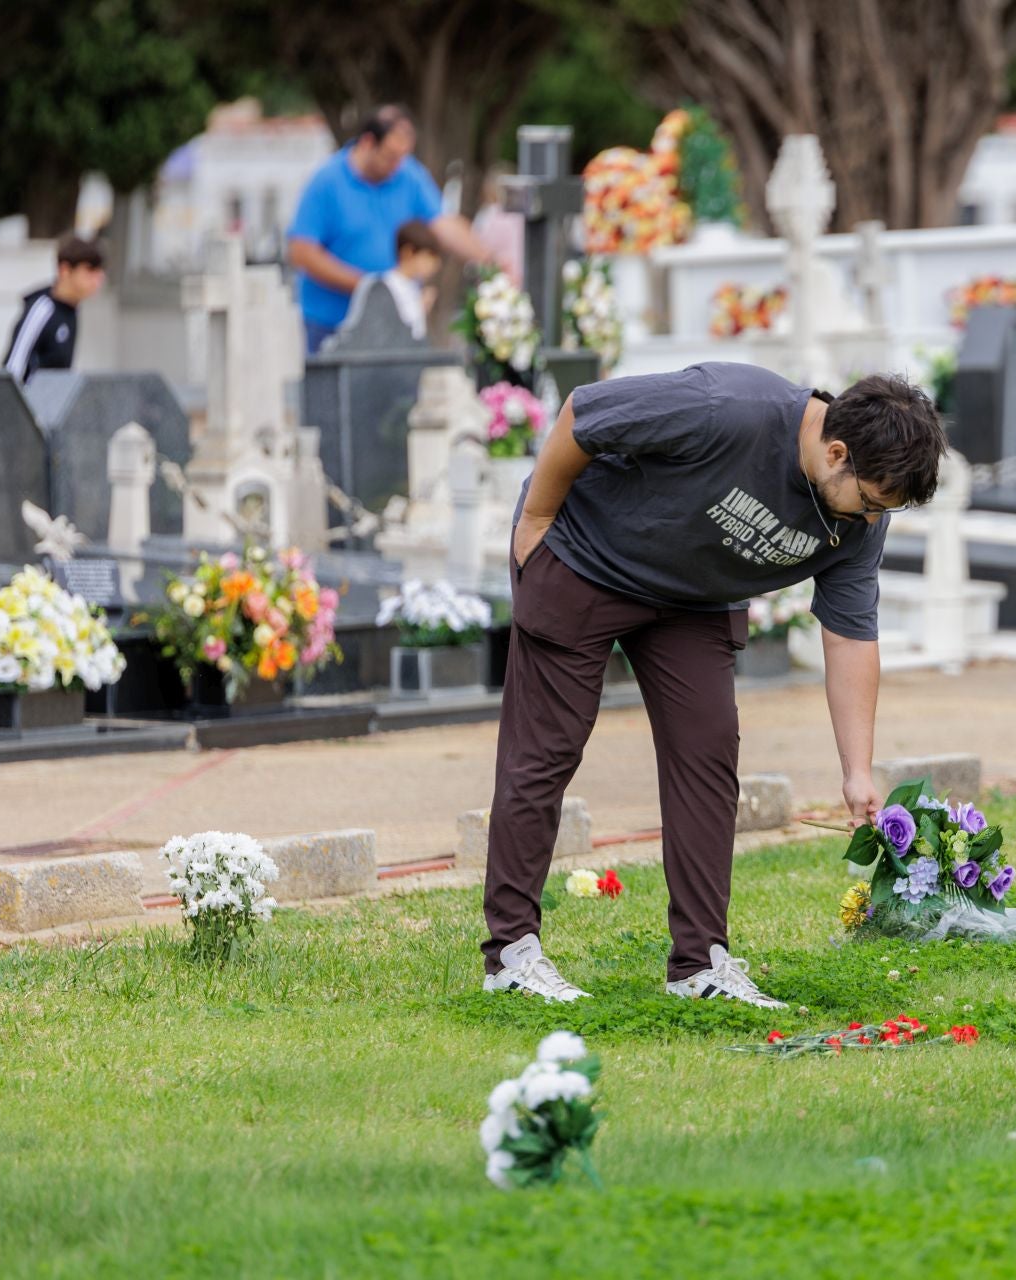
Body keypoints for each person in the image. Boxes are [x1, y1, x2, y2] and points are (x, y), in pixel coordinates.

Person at [483, 363, 948, 1006]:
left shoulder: (862, 516)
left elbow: (849, 636)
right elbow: (584, 413)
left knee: (707, 756)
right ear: (837, 453)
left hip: (693, 599)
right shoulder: (725, 406)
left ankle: (700, 965)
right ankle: (511, 955)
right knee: (546, 752)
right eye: (871, 501)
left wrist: (857, 771)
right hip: (587, 557)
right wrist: (535, 519)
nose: (872, 520)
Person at [286, 104, 497, 353]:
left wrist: (490, 261)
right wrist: (370, 287)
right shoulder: (326, 182)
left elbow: (443, 224)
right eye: (390, 156)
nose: (397, 165)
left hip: (390, 326)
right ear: (368, 142)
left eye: (403, 156)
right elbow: (302, 252)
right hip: (331, 323)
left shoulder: (409, 175)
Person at [1, 235, 106, 384]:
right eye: (90, 270)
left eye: (100, 271)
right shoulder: (42, 309)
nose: (99, 278)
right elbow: (11, 371)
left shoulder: (72, 309)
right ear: (65, 270)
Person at [378, 220, 441, 340]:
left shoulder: (414, 286)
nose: (434, 264)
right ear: (409, 253)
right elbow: (394, 324)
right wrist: (421, 306)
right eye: (429, 256)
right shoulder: (388, 285)